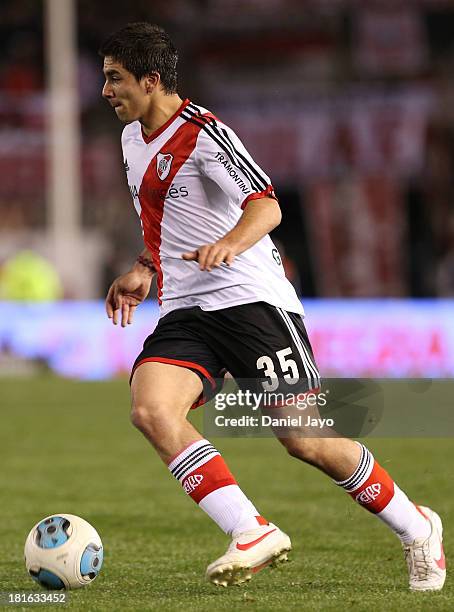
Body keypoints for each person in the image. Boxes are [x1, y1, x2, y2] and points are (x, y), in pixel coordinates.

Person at [100, 22, 446, 591]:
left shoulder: (205, 134)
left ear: (151, 79)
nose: (106, 90)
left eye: (115, 79)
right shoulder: (132, 138)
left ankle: (417, 527)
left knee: (305, 440)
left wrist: (231, 245)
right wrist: (145, 267)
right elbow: (168, 219)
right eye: (105, 78)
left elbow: (266, 205)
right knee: (152, 409)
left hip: (250, 301)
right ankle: (250, 529)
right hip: (186, 308)